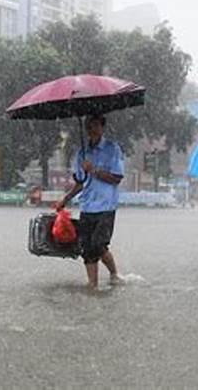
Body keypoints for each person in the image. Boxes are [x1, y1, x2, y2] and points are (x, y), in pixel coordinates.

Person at [56, 115, 124, 290]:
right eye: (88, 126)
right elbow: (80, 182)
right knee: (86, 248)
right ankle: (92, 285)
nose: (91, 130)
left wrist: (93, 170)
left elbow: (116, 178)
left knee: (98, 244)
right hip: (87, 206)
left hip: (106, 206)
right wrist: (65, 199)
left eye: (95, 126)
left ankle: (114, 273)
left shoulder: (112, 149)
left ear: (102, 127)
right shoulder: (82, 153)